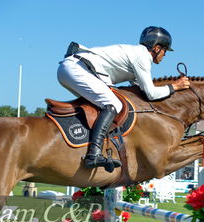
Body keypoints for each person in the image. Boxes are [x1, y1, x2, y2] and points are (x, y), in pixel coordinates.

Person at [57, 26, 190, 171]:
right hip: (78, 69)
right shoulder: (143, 57)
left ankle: (81, 143)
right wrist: (175, 87)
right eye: (165, 50)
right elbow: (151, 93)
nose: (164, 55)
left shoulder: (136, 54)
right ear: (157, 48)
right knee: (114, 104)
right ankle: (94, 154)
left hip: (72, 69)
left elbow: (142, 91)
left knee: (101, 106)